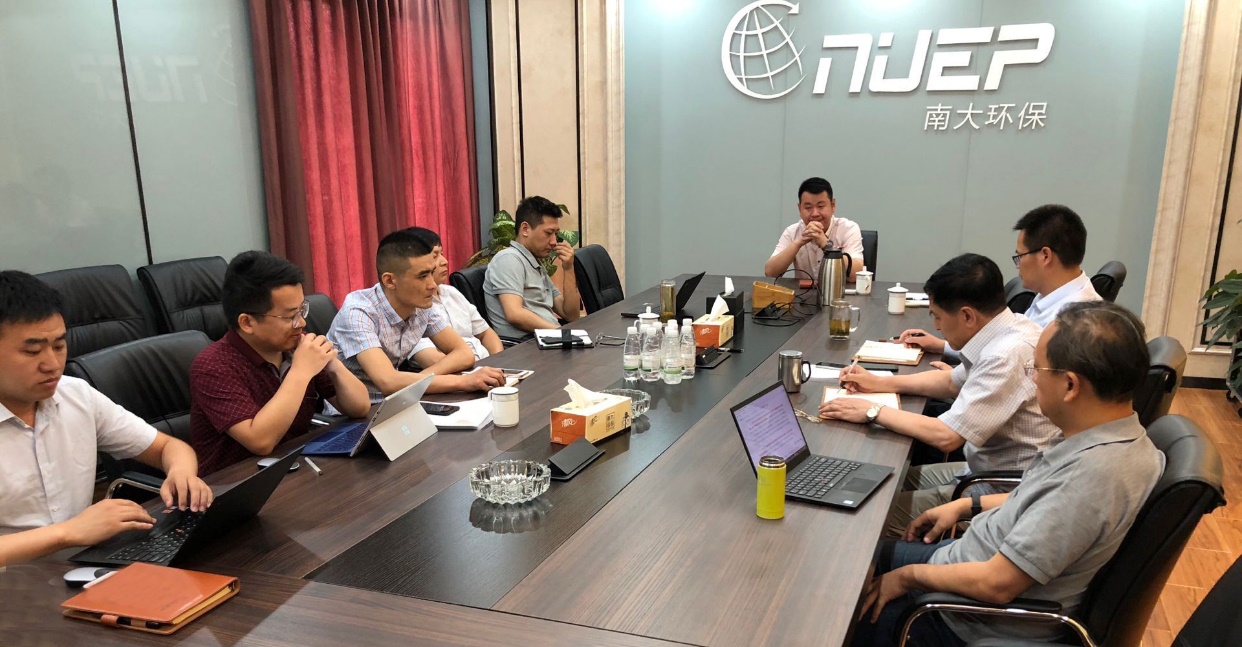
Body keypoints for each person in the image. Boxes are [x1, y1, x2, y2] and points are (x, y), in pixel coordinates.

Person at [850, 301, 1163, 646]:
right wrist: (968, 506)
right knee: (855, 557)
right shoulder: (1115, 438)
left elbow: (997, 584)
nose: (1032, 378)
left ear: (1070, 386)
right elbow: (1041, 500)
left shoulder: (1092, 476)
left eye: (1037, 369)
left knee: (838, 601)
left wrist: (907, 577)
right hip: (967, 558)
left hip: (961, 616)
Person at [819, 254, 1059, 536]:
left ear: (967, 316)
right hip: (982, 469)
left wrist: (872, 411)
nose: (936, 326)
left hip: (1004, 491)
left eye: (938, 316)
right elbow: (950, 382)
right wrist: (880, 383)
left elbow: (947, 436)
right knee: (878, 479)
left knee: (866, 517)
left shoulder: (1006, 354)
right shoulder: (1010, 327)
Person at [0, 271, 213, 565]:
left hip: (82, 566)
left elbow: (168, 447)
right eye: (32, 351)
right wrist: (68, 533)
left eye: (59, 346)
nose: (52, 364)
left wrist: (182, 473)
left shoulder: (75, 395)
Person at [189, 252, 371, 475]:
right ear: (247, 322)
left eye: (302, 310)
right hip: (237, 483)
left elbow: (360, 407)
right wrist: (301, 372)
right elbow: (260, 442)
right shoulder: (213, 366)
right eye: (289, 316)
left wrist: (333, 364)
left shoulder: (295, 347)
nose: (301, 323)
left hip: (296, 469)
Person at [329, 229, 505, 403]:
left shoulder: (421, 305)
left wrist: (416, 382)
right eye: (422, 276)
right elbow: (387, 381)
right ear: (390, 281)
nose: (432, 284)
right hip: (353, 413)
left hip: (399, 401)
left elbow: (464, 354)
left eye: (431, 273)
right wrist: (463, 382)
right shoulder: (358, 312)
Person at [899, 204, 1101, 355]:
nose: (1017, 265)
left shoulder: (1073, 322)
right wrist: (943, 346)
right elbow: (1003, 345)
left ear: (1045, 256)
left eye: (1020, 256)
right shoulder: (1052, 294)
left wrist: (962, 378)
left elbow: (1015, 366)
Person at [483, 196, 581, 338]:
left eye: (556, 234)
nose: (554, 241)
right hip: (526, 345)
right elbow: (515, 314)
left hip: (548, 339)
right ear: (525, 229)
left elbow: (571, 315)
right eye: (548, 233)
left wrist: (568, 268)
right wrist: (561, 333)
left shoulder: (534, 262)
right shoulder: (509, 259)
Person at [405, 227, 503, 365]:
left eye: (442, 254)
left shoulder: (452, 292)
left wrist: (499, 363)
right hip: (460, 373)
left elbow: (486, 333)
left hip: (488, 366)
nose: (444, 261)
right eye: (435, 256)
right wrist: (478, 372)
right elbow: (433, 360)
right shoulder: (414, 308)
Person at [764, 177, 864, 281]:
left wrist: (827, 246)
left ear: (833, 205)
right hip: (803, 291)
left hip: (839, 290)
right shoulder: (792, 232)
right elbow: (770, 273)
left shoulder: (848, 229)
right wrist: (798, 243)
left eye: (821, 206)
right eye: (808, 207)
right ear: (799, 209)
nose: (815, 214)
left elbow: (857, 274)